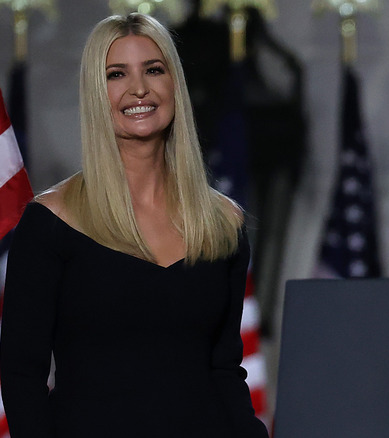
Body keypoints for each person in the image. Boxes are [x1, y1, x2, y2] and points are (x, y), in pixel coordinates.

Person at [0, 13, 270, 437]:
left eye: (154, 70)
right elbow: (21, 375)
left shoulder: (222, 223)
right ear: (95, 92)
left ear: (174, 84)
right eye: (116, 74)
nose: (139, 88)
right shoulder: (50, 223)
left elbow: (223, 370)